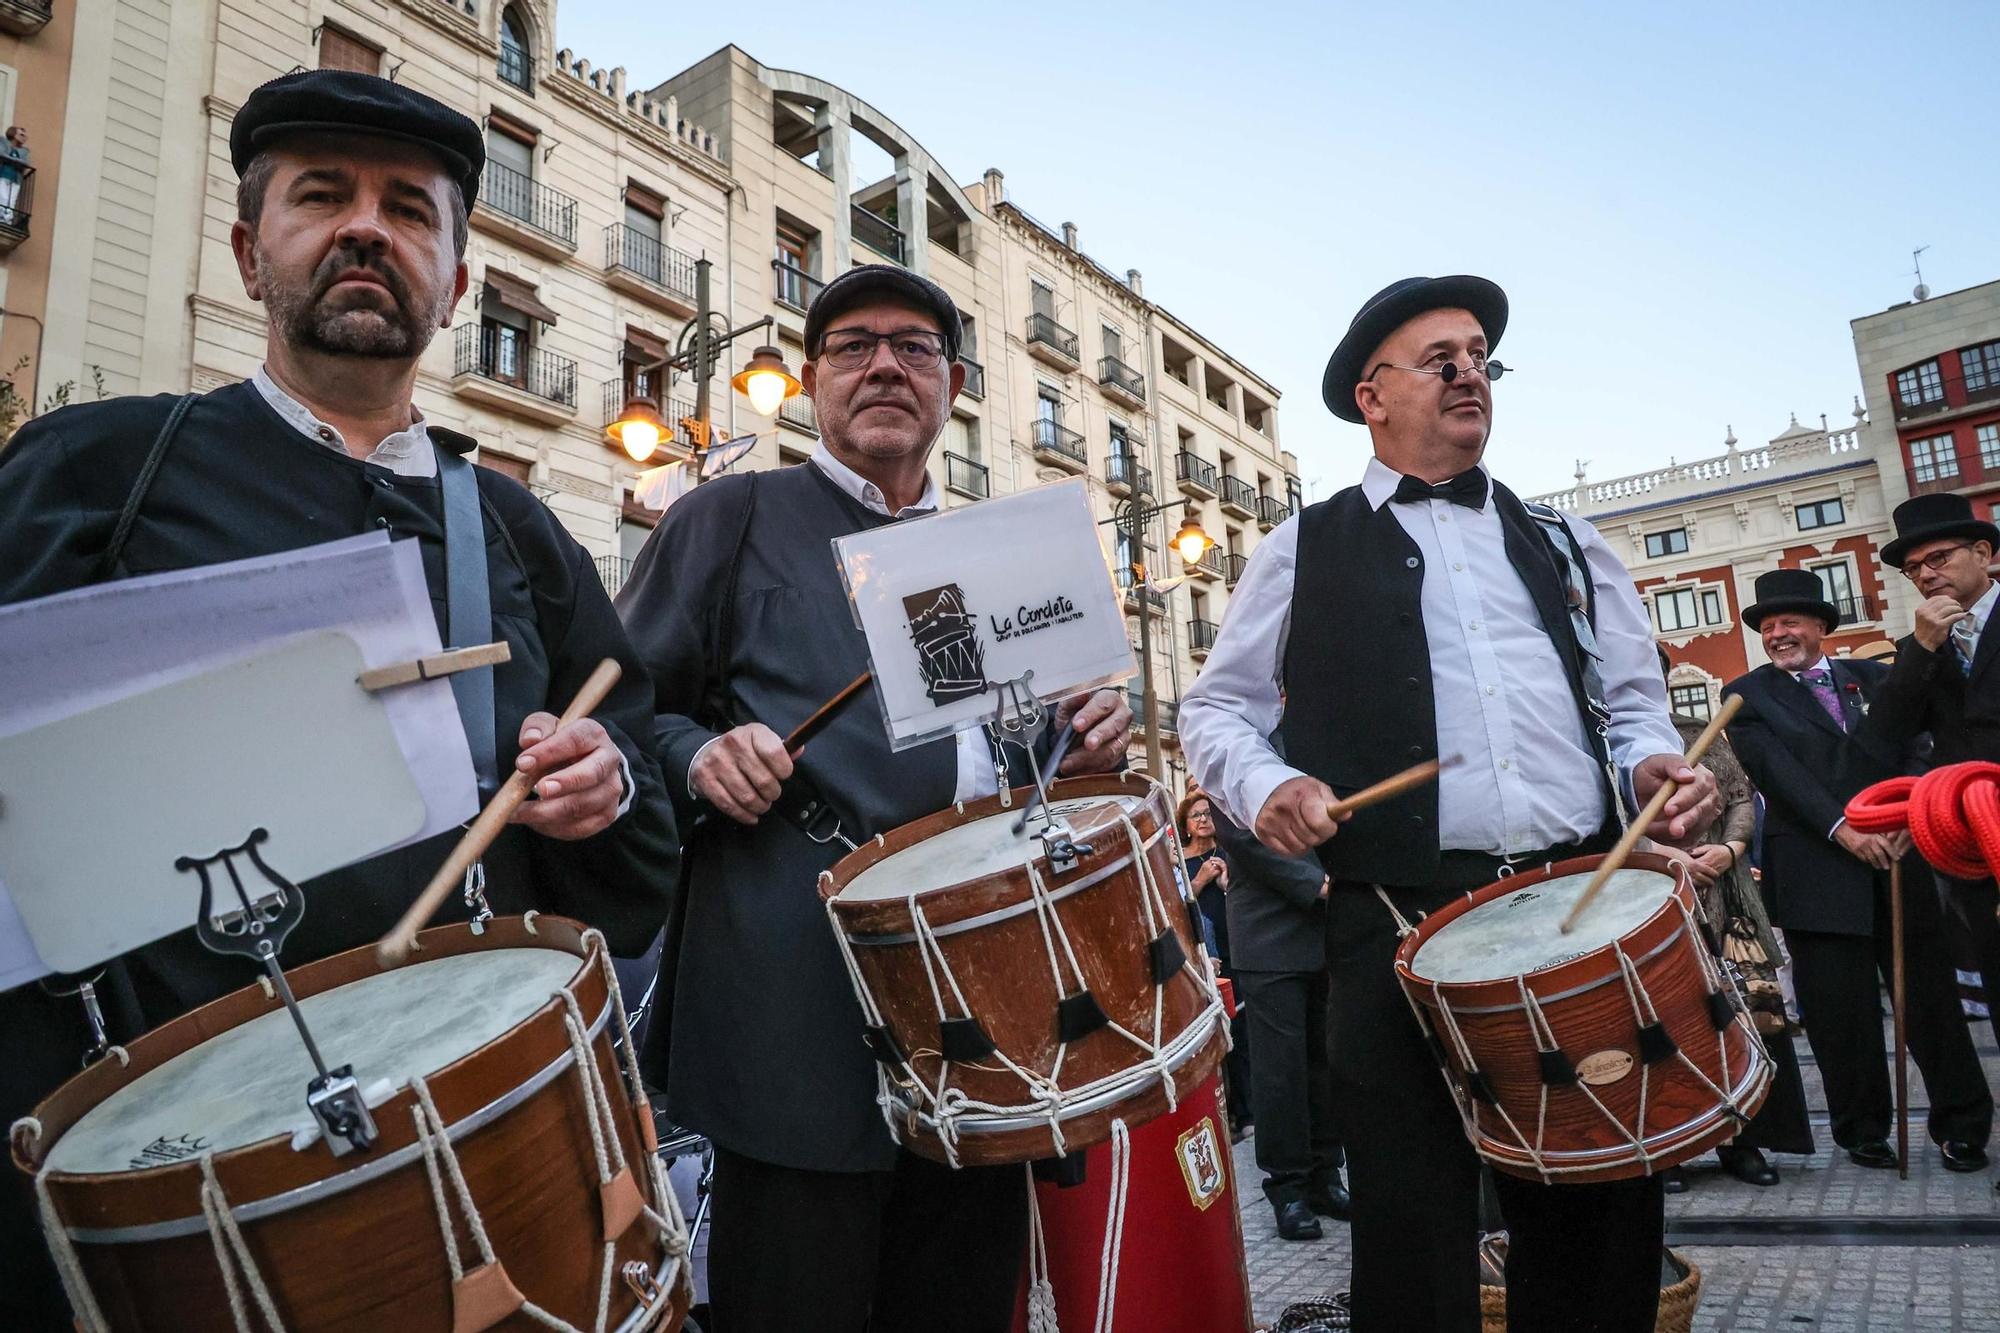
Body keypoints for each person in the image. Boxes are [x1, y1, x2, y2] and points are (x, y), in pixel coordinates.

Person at [0, 69, 678, 1329]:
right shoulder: (97, 475)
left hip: (481, 1150)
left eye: (412, 212)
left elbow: (633, 806)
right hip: (177, 1182)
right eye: (324, 197)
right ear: (251, 255)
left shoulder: (522, 535)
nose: (370, 227)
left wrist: (608, 782)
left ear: (457, 286)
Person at [1181, 274, 1717, 1333]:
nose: (1469, 371)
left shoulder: (1565, 539)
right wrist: (1268, 784)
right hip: (1393, 924)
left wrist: (1651, 763)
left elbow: (1630, 706)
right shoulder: (1300, 547)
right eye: (1440, 358)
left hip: (1576, 907)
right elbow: (1214, 711)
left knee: (1599, 1209)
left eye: (1479, 355)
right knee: (1411, 1225)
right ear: (1370, 396)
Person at [616, 263, 1133, 1333]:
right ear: (809, 379)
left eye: (913, 346)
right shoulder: (729, 516)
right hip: (792, 1004)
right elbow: (620, 711)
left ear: (952, 383)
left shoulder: (990, 555)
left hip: (984, 1017)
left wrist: (1077, 747)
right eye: (853, 346)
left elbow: (996, 752)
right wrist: (695, 757)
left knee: (958, 1303)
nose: (884, 364)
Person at [1722, 568, 1992, 1177]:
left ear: (1821, 626)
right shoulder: (1747, 695)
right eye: (1767, 626)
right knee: (1839, 1015)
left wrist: (1905, 816)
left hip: (1900, 857)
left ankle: (1964, 1127)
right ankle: (1863, 1131)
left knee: (1931, 1003)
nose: (1778, 634)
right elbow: (1777, 775)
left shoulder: (1876, 677)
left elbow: (1916, 748)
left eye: (1790, 622)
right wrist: (1841, 828)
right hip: (1818, 868)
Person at [1654, 649, 1813, 1193]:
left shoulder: (1700, 732)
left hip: (1725, 894)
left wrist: (1731, 846)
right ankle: (1668, 1150)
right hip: (1650, 901)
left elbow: (1741, 798)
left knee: (1747, 1015)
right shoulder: (1600, 745)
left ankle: (1745, 1141)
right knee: (1663, 1026)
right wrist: (1661, 858)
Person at [1865, 494, 2000, 1059]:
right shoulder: (1919, 646)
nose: (1925, 575)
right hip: (1971, 845)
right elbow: (1883, 737)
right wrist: (1920, 651)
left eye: (1938, 559)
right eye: (1913, 569)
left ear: (1983, 552)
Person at [1210, 792, 1348, 1240]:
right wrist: (1317, 883)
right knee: (1280, 1071)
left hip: (1327, 924)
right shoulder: (1232, 736)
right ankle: (1287, 1189)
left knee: (1325, 1063)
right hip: (1268, 931)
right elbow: (1243, 835)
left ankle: (1327, 1176)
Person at [0, 125, 29, 222]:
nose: (24, 137)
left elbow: (25, 163)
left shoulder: (24, 151)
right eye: (21, 134)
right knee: (3, 197)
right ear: (13, 134)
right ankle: (1, 218)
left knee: (11, 201)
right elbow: (1, 154)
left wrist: (10, 159)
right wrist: (17, 161)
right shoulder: (3, 142)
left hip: (16, 179)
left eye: (25, 136)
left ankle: (7, 220)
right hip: (3, 175)